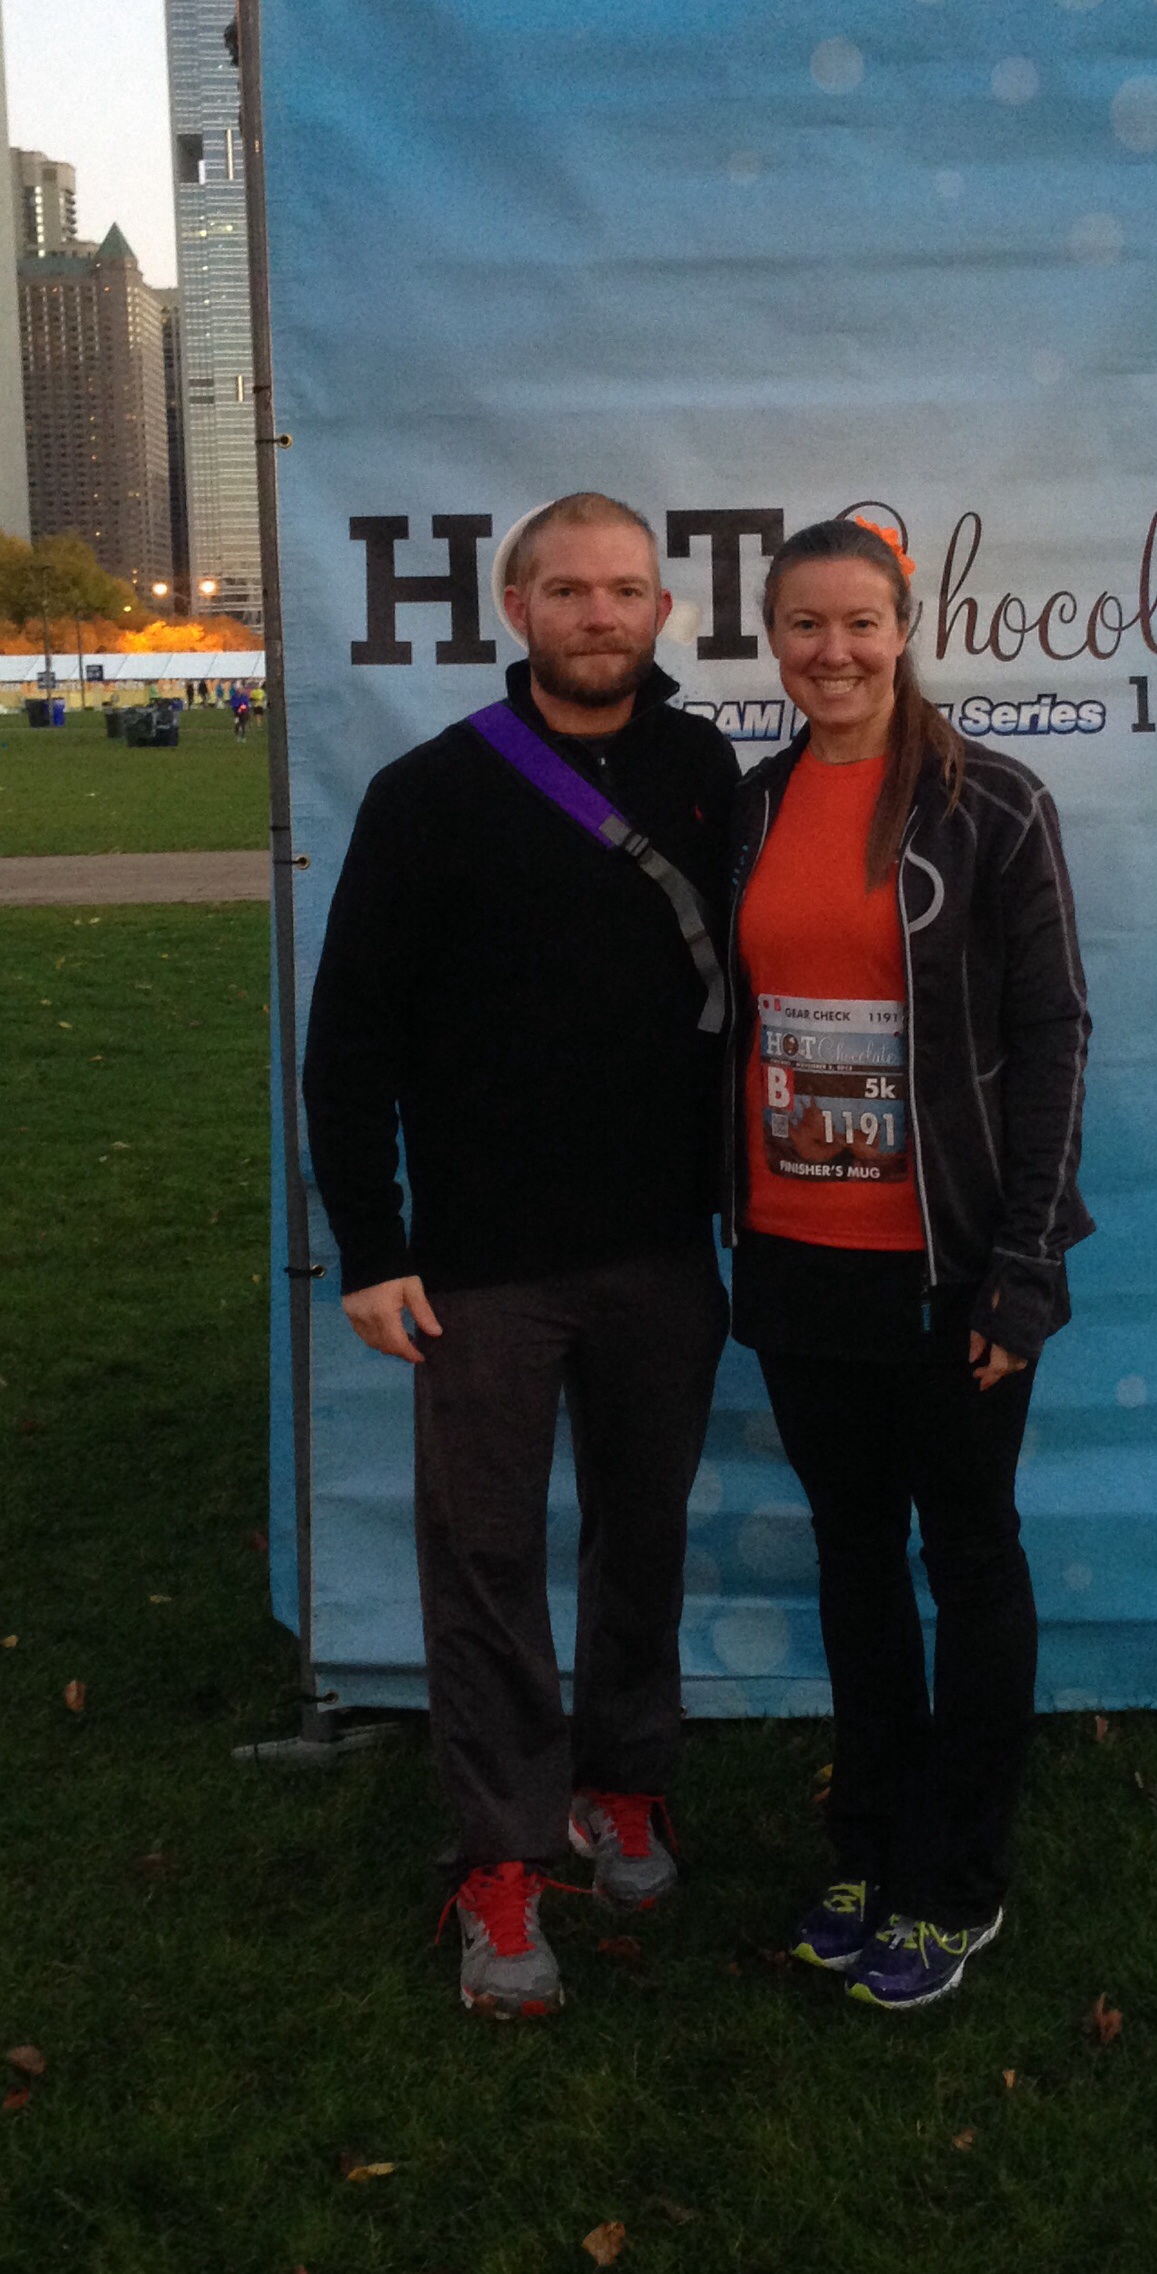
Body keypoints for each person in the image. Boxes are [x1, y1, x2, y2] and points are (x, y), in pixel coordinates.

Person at [303, 492, 738, 2016]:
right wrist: (373, 1244)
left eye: (624, 589)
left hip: (663, 1252)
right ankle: (499, 1854)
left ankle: (624, 1782)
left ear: (663, 610)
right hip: (480, 1266)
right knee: (483, 1564)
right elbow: (349, 1039)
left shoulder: (705, 772)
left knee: (645, 1536)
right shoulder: (427, 793)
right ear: (516, 606)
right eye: (569, 590)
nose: (599, 614)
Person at [723, 518, 1092, 2010]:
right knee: (854, 1558)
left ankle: (958, 1878)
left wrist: (1025, 1267)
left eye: (859, 623)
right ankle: (869, 1846)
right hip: (796, 1255)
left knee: (971, 1558)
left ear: (903, 627)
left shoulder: (991, 802)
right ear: (773, 639)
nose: (834, 652)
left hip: (950, 1267)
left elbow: (1054, 1032)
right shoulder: (752, 803)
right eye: (804, 626)